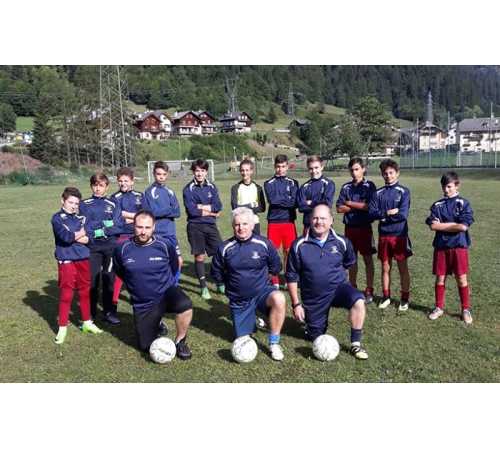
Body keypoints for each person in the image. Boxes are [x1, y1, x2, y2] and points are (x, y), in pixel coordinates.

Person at [286, 205, 368, 360]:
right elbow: (291, 276)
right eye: (315, 218)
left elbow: (350, 263)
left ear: (331, 220)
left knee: (358, 300)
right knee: (315, 336)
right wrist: (296, 304)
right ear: (310, 220)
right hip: (314, 296)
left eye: (323, 218)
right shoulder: (299, 245)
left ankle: (355, 344)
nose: (319, 222)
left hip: (338, 289)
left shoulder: (342, 242)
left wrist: (351, 286)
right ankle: (311, 326)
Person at [112, 211, 193, 359]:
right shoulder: (121, 249)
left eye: (147, 227)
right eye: (139, 227)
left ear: (154, 227)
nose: (143, 232)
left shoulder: (164, 245)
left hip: (165, 293)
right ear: (133, 226)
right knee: (145, 347)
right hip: (143, 303)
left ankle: (180, 342)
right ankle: (157, 322)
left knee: (185, 304)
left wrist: (167, 284)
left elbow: (174, 266)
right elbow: (120, 271)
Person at [211, 207, 287, 361]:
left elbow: (276, 266)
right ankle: (252, 317)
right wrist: (232, 287)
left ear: (252, 225)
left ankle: (274, 343)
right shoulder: (225, 248)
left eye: (245, 224)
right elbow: (216, 273)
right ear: (233, 226)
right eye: (237, 224)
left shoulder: (263, 244)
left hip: (262, 293)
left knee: (279, 298)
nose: (241, 228)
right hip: (239, 299)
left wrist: (262, 280)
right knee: (243, 339)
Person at [50, 187, 103, 344]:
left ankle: (87, 322)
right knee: (67, 294)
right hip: (66, 259)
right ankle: (62, 328)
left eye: (76, 203)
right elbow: (65, 237)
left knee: (85, 292)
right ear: (63, 201)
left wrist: (77, 235)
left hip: (83, 258)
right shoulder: (57, 218)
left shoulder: (82, 218)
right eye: (70, 202)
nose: (73, 206)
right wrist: (80, 234)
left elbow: (90, 238)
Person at [425, 171, 474, 324]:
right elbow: (433, 226)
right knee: (440, 278)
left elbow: (463, 227)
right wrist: (453, 225)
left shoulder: (463, 203)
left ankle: (465, 309)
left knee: (461, 278)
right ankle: (439, 307)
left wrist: (443, 225)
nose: (446, 190)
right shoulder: (437, 205)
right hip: (441, 247)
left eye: (449, 186)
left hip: (459, 246)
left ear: (457, 185)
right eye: (444, 187)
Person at [79, 172, 124, 325]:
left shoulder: (114, 203)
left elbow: (118, 226)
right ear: (91, 186)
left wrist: (99, 228)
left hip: (110, 247)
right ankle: (90, 313)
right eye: (95, 185)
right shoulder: (84, 204)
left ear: (107, 187)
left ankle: (108, 312)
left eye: (101, 185)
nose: (98, 189)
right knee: (92, 281)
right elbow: (86, 227)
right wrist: (105, 226)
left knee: (109, 279)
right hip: (92, 248)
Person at [369, 159, 412, 311]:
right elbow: (372, 213)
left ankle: (404, 299)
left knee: (402, 268)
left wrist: (383, 217)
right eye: (385, 173)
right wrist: (387, 213)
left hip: (399, 235)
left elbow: (403, 215)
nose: (388, 176)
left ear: (397, 173)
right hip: (384, 236)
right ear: (382, 174)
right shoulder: (378, 193)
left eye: (391, 173)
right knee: (385, 267)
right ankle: (386, 296)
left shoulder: (404, 191)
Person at [336, 157, 377, 303]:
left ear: (363, 169)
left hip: (364, 228)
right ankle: (352, 287)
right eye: (352, 170)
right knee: (351, 260)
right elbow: (339, 208)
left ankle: (369, 290)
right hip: (350, 228)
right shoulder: (346, 187)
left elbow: (370, 207)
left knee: (367, 259)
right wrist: (358, 206)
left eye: (357, 169)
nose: (354, 172)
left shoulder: (369, 186)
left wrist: (349, 203)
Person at [182, 159, 224, 300]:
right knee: (199, 256)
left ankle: (219, 282)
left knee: (219, 253)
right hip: (195, 226)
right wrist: (211, 212)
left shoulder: (212, 187)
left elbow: (218, 206)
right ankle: (204, 287)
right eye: (197, 171)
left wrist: (201, 207)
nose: (199, 174)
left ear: (206, 172)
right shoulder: (188, 189)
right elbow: (192, 211)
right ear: (193, 172)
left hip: (211, 226)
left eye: (202, 171)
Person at [142, 161, 183, 284]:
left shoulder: (170, 191)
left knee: (178, 261)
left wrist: (162, 211)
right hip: (157, 233)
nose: (161, 177)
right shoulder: (149, 191)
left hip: (170, 233)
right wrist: (168, 210)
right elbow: (151, 213)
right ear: (154, 174)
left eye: (164, 174)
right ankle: (158, 286)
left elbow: (177, 212)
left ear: (167, 175)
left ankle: (174, 286)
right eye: (159, 174)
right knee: (157, 262)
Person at [264, 154, 299, 289]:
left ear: (287, 166)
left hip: (289, 221)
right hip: (274, 222)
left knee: (288, 252)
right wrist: (287, 199)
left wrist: (282, 200)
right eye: (278, 167)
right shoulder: (268, 183)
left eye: (283, 166)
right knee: (272, 252)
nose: (280, 169)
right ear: (275, 167)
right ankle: (275, 280)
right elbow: (272, 200)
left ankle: (287, 277)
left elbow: (294, 203)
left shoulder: (293, 182)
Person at [111, 167, 144, 306]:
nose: (123, 183)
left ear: (132, 181)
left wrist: (127, 215)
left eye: (126, 181)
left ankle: (137, 296)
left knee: (137, 268)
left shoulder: (140, 196)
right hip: (121, 236)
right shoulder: (114, 198)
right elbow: (117, 219)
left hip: (138, 235)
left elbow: (145, 216)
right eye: (120, 181)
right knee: (120, 269)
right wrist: (135, 217)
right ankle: (114, 300)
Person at [297, 155, 335, 235]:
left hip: (324, 224)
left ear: (322, 167)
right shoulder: (304, 187)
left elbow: (327, 204)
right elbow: (301, 207)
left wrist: (311, 202)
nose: (314, 171)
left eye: (316, 168)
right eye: (311, 168)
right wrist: (320, 203)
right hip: (308, 225)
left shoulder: (329, 184)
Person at [230, 159, 266, 235]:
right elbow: (235, 207)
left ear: (251, 171)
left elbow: (262, 208)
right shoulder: (235, 188)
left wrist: (242, 207)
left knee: (255, 242)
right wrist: (251, 205)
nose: (244, 173)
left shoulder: (258, 188)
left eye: (247, 170)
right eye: (242, 170)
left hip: (254, 222)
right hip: (240, 224)